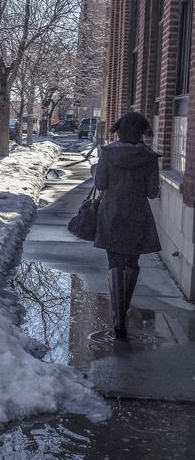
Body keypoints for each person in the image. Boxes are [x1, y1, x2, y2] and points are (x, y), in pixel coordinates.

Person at [94, 112, 161, 339]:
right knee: (132, 260)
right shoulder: (150, 158)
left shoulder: (108, 153)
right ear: (141, 132)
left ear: (120, 130)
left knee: (115, 260)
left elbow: (100, 183)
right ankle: (123, 313)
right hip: (137, 213)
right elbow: (152, 192)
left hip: (111, 211)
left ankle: (118, 321)